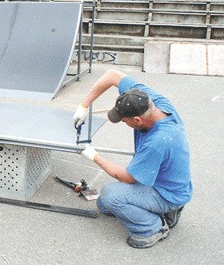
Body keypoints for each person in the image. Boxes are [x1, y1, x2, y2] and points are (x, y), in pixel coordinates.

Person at [72, 69, 192, 249]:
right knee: (104, 205)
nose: (121, 121)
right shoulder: (152, 102)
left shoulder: (158, 141)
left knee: (112, 196)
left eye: (123, 119)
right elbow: (112, 75)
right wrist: (84, 105)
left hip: (168, 193)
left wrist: (94, 156)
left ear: (137, 120)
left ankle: (152, 228)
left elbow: (128, 177)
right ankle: (159, 211)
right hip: (163, 180)